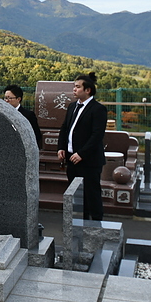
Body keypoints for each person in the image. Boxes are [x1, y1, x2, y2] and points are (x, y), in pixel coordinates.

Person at [57, 73, 108, 221]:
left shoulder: (98, 109)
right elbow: (65, 128)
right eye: (74, 86)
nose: (74, 89)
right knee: (76, 195)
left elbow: (97, 136)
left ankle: (97, 225)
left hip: (89, 161)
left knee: (92, 195)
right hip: (72, 159)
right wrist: (61, 147)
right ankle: (79, 224)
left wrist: (82, 154)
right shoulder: (73, 106)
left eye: (78, 87)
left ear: (88, 90)